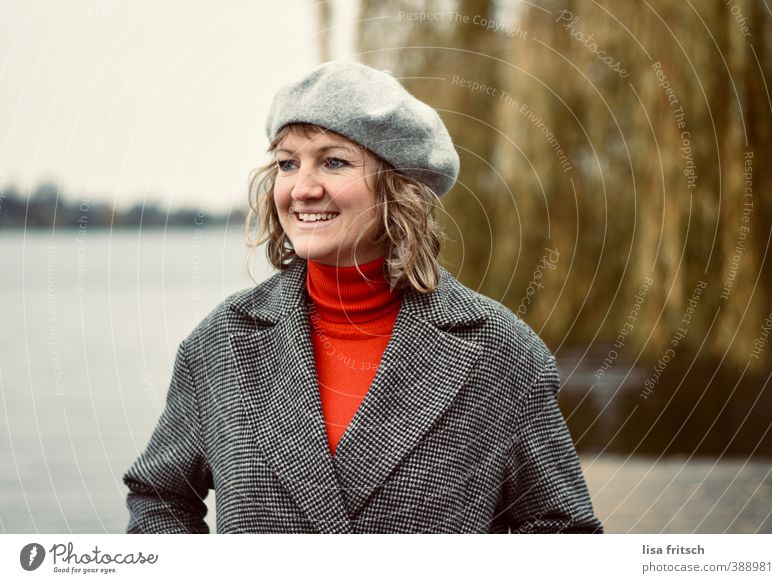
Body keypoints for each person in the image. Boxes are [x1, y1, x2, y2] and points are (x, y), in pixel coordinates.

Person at [122, 60, 603, 534]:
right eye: (288, 163)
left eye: (334, 161)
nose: (303, 189)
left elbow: (561, 530)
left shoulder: (500, 353)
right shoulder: (220, 343)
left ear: (399, 189)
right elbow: (160, 498)